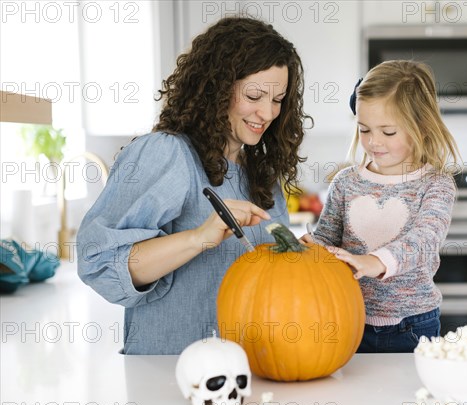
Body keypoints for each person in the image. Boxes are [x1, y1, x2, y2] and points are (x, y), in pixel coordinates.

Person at [76, 16, 310, 355]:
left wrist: (299, 257)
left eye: (278, 99)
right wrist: (199, 238)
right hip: (169, 377)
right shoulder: (166, 154)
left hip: (249, 373)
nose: (267, 112)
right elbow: (97, 261)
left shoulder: (262, 176)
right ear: (216, 88)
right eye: (255, 95)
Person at [301, 60, 461, 353]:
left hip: (413, 326)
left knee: (412, 399)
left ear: (422, 127)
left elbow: (424, 240)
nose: (373, 142)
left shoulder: (435, 185)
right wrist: (311, 248)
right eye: (364, 130)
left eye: (388, 132)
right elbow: (327, 240)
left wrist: (374, 261)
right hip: (348, 319)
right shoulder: (345, 183)